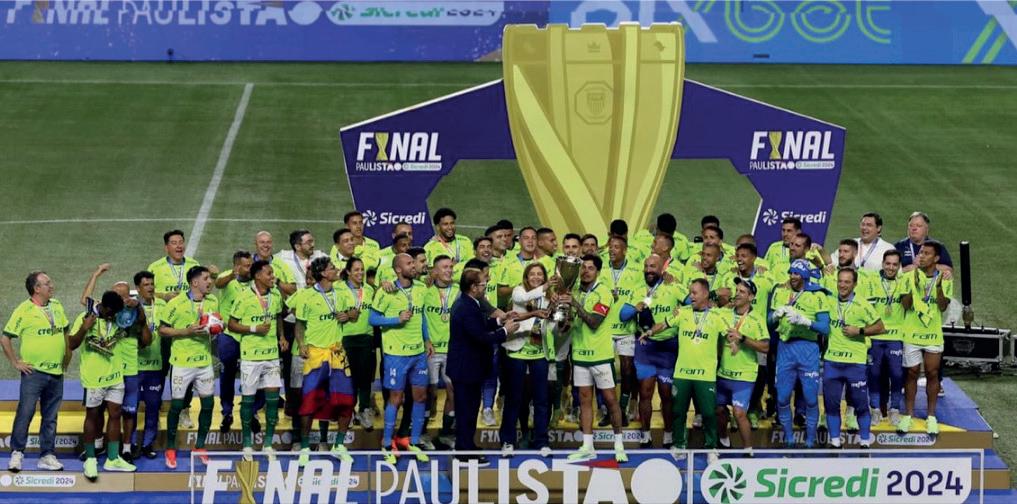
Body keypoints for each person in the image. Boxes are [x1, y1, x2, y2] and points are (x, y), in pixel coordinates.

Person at [448, 269, 519, 466]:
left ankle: (467, 446)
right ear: (473, 287)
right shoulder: (466, 307)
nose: (485, 288)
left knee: (470, 410)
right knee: (466, 412)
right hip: (465, 368)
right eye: (482, 285)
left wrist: (499, 320)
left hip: (468, 368)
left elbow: (480, 325)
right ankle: (464, 453)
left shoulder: (469, 303)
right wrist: (505, 331)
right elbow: (480, 337)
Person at [291, 257, 357, 465]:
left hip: (337, 353)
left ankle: (339, 445)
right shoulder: (306, 296)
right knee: (309, 401)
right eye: (332, 268)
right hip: (316, 356)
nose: (336, 270)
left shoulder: (342, 292)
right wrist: (301, 343)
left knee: (347, 400)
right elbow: (299, 323)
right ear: (323, 274)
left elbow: (355, 313)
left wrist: (348, 315)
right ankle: (304, 447)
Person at [2, 272, 70, 472]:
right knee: (25, 412)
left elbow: (65, 332)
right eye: (47, 283)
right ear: (36, 289)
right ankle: (17, 453)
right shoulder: (23, 310)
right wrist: (16, 362)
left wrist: (66, 358)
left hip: (56, 372)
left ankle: (47, 455)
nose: (52, 285)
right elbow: (5, 338)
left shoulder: (57, 306)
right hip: (34, 373)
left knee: (51, 416)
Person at [563, 254, 627, 462]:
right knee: (584, 400)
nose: (586, 271)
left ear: (598, 271)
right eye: (583, 268)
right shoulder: (574, 290)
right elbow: (568, 322)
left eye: (590, 268)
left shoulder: (604, 292)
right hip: (580, 354)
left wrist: (574, 304)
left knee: (610, 400)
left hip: (601, 356)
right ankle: (587, 446)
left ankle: (619, 445)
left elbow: (593, 322)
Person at [371, 253, 433, 463]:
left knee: (420, 397)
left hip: (418, 353)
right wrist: (395, 320)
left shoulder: (421, 288)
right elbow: (373, 319)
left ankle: (413, 441)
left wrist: (427, 339)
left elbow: (421, 316)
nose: (414, 266)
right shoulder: (386, 291)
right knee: (396, 399)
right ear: (398, 269)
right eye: (409, 263)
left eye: (414, 263)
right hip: (396, 354)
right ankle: (387, 443)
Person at [70, 290, 138, 479]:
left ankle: (113, 458)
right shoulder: (85, 318)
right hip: (93, 378)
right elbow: (71, 344)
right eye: (111, 313)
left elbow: (139, 323)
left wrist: (136, 306)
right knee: (92, 415)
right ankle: (91, 459)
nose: (113, 316)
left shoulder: (118, 318)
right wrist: (84, 328)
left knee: (115, 415)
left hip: (115, 376)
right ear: (104, 307)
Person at [159, 266, 220, 469]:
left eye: (210, 278)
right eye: (206, 278)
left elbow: (218, 323)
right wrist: (186, 331)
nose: (210, 281)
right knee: (177, 406)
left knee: (208, 405)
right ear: (195, 282)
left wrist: (217, 327)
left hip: (204, 363)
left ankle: (200, 446)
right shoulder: (176, 303)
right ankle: (170, 448)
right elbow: (162, 330)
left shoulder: (213, 301)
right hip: (182, 364)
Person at [620, 254, 684, 448]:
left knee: (666, 393)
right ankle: (645, 435)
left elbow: (695, 302)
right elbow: (623, 315)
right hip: (646, 347)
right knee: (645, 392)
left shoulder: (674, 286)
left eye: (653, 266)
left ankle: (668, 435)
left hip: (668, 347)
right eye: (646, 266)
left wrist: (682, 311)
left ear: (662, 269)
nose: (649, 270)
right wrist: (635, 308)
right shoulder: (638, 290)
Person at [768, 259, 831, 448]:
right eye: (791, 272)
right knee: (782, 397)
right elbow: (769, 323)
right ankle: (789, 439)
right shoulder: (780, 291)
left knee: (811, 399)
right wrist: (774, 316)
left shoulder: (818, 295)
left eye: (797, 273)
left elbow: (825, 328)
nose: (793, 276)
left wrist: (805, 322)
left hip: (808, 350)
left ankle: (810, 441)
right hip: (785, 349)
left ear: (804, 275)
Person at [227, 260, 286, 462]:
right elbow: (231, 324)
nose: (273, 277)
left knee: (272, 401)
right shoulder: (244, 297)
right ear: (258, 276)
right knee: (248, 401)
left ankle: (268, 444)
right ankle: (247, 445)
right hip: (251, 358)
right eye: (269, 273)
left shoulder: (276, 295)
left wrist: (281, 336)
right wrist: (254, 329)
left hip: (272, 357)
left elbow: (278, 316)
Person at [823, 268, 884, 448]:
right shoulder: (829, 300)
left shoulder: (862, 305)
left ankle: (864, 442)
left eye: (847, 282)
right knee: (831, 405)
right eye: (840, 281)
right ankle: (835, 443)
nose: (842, 285)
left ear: (855, 284)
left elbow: (881, 327)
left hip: (855, 364)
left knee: (860, 405)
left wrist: (860, 331)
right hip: (832, 362)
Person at [899, 240, 953, 435]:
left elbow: (942, 306)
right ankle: (909, 415)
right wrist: (912, 287)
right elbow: (905, 305)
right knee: (911, 373)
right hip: (911, 333)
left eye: (926, 253)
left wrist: (938, 287)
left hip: (932, 333)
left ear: (936, 258)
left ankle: (931, 416)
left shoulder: (945, 278)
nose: (921, 256)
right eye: (921, 252)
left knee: (932, 372)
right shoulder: (908, 276)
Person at [502, 262, 553, 457]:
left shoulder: (549, 297)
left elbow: (551, 322)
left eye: (540, 274)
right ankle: (507, 441)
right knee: (514, 398)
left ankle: (542, 442)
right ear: (526, 276)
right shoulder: (518, 291)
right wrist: (545, 287)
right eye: (532, 274)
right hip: (517, 351)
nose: (536, 277)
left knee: (541, 399)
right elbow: (523, 300)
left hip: (539, 352)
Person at [716, 279, 769, 453]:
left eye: (742, 292)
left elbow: (765, 347)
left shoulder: (757, 319)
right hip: (723, 373)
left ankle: (748, 450)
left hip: (744, 375)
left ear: (751, 297)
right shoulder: (724, 313)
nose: (737, 294)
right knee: (719, 410)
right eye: (737, 290)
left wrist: (743, 338)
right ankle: (724, 441)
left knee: (739, 413)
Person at [213, 251, 261, 434]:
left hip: (250, 335)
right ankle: (227, 411)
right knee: (227, 373)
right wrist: (233, 274)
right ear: (237, 266)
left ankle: (253, 410)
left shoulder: (256, 280)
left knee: (255, 373)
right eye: (247, 266)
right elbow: (218, 283)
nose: (250, 269)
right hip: (229, 335)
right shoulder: (228, 278)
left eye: (251, 265)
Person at [599, 235, 643, 426]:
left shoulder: (636, 271)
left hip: (626, 329)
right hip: (605, 329)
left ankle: (623, 409)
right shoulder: (601, 269)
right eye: (610, 246)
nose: (612, 250)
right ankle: (608, 410)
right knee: (605, 371)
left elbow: (642, 294)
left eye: (616, 247)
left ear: (625, 250)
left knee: (627, 370)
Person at [863, 250, 906, 427]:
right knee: (873, 374)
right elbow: (868, 310)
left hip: (896, 336)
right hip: (876, 336)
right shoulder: (872, 280)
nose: (891, 267)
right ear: (882, 264)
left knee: (896, 374)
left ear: (899, 266)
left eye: (895, 264)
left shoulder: (904, 281)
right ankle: (875, 410)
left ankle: (894, 409)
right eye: (888, 263)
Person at [422, 255, 459, 448]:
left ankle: (446, 433)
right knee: (430, 393)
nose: (449, 270)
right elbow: (419, 317)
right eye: (444, 267)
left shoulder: (459, 291)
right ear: (434, 271)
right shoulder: (424, 291)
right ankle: (423, 433)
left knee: (453, 392)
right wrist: (426, 339)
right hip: (432, 350)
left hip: (452, 350)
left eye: (450, 267)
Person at [337, 258, 377, 434]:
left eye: (362, 269)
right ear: (348, 272)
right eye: (356, 270)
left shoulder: (369, 290)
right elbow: (334, 312)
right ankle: (349, 411)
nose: (360, 273)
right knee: (350, 378)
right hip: (347, 338)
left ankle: (364, 410)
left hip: (366, 337)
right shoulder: (339, 289)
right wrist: (346, 315)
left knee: (365, 378)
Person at [133, 270, 167, 459]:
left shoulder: (161, 305)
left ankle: (147, 444)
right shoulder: (132, 307)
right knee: (131, 408)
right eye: (146, 285)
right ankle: (130, 444)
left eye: (152, 284)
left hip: (155, 366)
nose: (151, 288)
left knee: (153, 408)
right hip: (134, 367)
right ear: (138, 288)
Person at [425, 208, 475, 281]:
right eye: (445, 224)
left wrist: (455, 267)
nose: (450, 227)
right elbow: (432, 273)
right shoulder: (430, 247)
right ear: (438, 227)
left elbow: (473, 264)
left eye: (452, 223)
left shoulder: (465, 241)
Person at [344, 210, 382, 278]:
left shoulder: (374, 244)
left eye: (360, 222)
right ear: (347, 226)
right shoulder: (341, 246)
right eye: (354, 223)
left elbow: (377, 266)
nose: (358, 226)